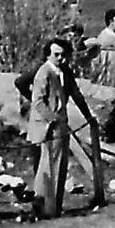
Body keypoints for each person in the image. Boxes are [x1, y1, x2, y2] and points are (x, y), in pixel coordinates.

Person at [26, 37, 94, 218]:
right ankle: (45, 207)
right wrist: (53, 119)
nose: (61, 58)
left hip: (59, 125)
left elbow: (76, 95)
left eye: (64, 55)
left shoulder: (62, 71)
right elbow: (37, 102)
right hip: (48, 127)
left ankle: (53, 206)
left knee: (59, 166)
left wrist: (88, 117)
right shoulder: (44, 73)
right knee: (49, 168)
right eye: (57, 55)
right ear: (48, 55)